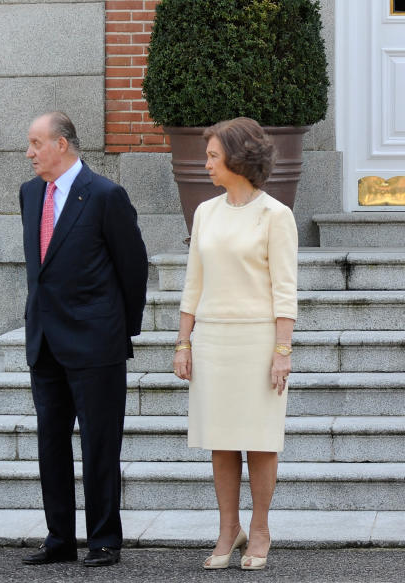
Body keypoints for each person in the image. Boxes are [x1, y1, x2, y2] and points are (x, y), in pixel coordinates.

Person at [18, 112, 148, 567]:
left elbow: (133, 268)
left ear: (62, 144)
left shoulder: (106, 195)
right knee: (50, 442)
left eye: (36, 143)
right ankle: (58, 539)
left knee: (98, 444)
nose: (29, 153)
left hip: (97, 342)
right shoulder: (31, 193)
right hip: (45, 342)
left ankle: (104, 540)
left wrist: (120, 329)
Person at [173, 117, 298, 570]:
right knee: (221, 441)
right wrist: (183, 342)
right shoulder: (205, 212)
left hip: (258, 341)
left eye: (211, 156)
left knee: (261, 441)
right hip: (213, 340)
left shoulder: (275, 215)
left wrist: (282, 352)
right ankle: (229, 529)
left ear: (237, 158)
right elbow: (193, 282)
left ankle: (260, 528)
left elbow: (285, 290)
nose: (205, 163)